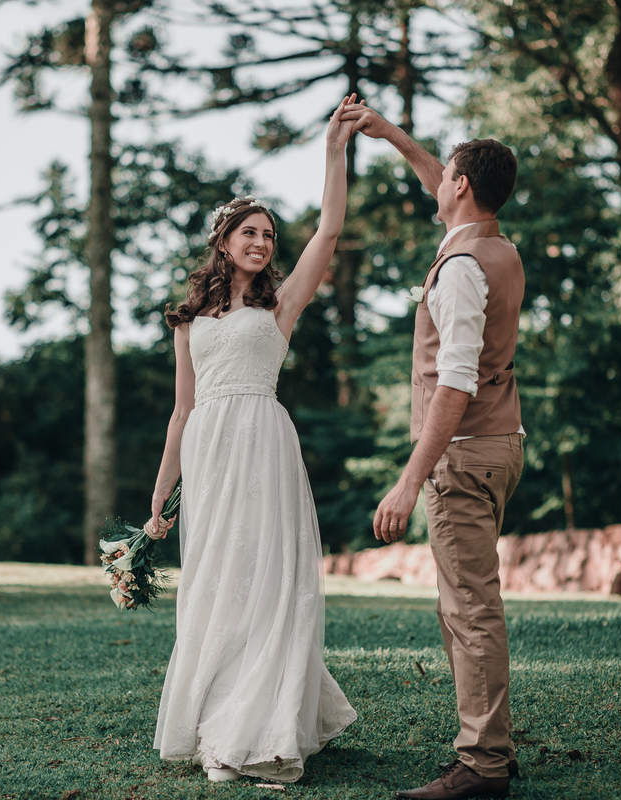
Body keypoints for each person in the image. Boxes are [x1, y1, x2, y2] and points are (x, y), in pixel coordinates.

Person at [145, 96, 361, 784]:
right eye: (251, 231)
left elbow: (328, 231)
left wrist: (334, 150)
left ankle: (262, 730)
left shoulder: (282, 305)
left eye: (269, 233)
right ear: (223, 240)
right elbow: (182, 412)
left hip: (265, 443)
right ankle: (217, 718)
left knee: (269, 583)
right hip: (209, 452)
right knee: (216, 584)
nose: (263, 241)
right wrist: (158, 501)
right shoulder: (189, 319)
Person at [342, 102, 526, 800]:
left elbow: (454, 383)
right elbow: (437, 178)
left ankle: (482, 765)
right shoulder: (494, 246)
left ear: (462, 188)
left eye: (445, 175)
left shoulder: (459, 272)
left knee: (470, 610)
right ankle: (489, 751)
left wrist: (407, 480)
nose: (436, 181)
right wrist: (388, 133)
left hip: (465, 455)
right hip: (499, 443)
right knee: (466, 606)